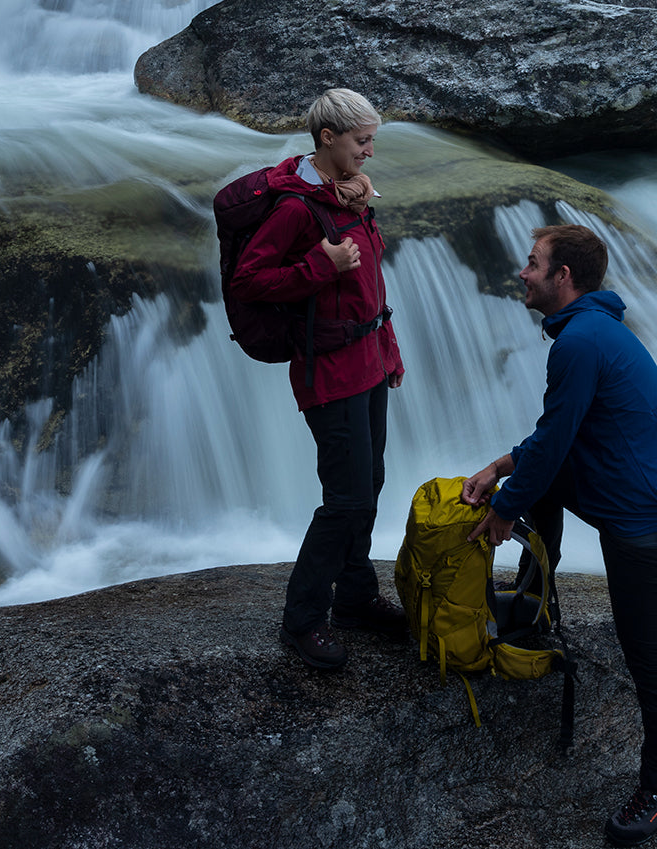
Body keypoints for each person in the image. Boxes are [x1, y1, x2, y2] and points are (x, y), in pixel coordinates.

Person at [461, 224, 657, 847]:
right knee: (542, 480)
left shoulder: (581, 343)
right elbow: (551, 439)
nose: (523, 272)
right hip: (638, 501)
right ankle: (534, 606)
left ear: (563, 277)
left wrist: (505, 507)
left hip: (651, 530)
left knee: (651, 662)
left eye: (534, 263)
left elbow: (555, 442)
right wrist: (499, 469)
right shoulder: (593, 330)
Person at [226, 88, 407, 670]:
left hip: (369, 360)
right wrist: (316, 267)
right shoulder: (296, 208)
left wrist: (390, 352)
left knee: (371, 482)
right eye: (362, 141)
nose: (370, 153)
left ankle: (355, 598)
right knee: (347, 497)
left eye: (372, 140)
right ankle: (304, 618)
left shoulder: (347, 196)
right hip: (328, 370)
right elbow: (249, 281)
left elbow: (371, 285)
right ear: (327, 139)